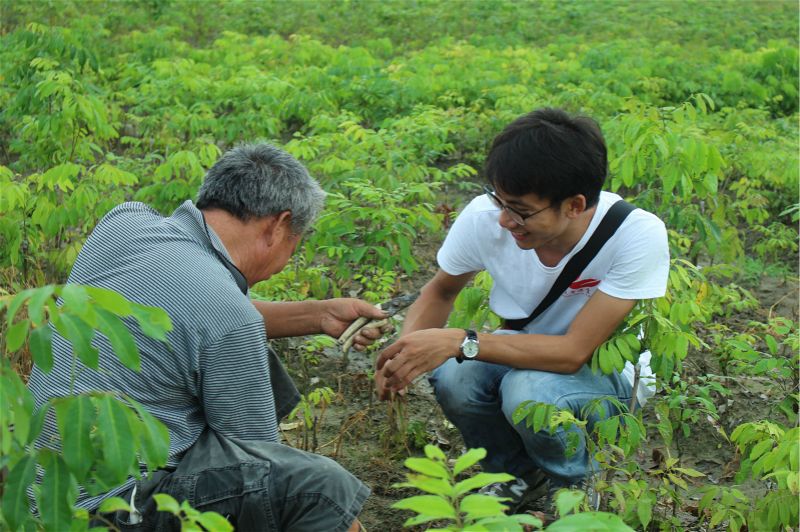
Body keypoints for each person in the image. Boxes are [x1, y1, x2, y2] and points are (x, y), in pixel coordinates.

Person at [28, 143, 388, 531]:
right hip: (113, 510)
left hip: (40, 489)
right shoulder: (229, 317)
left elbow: (194, 309)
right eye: (295, 242)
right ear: (278, 226)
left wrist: (319, 314)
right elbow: (259, 466)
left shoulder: (123, 223)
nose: (289, 256)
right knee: (317, 488)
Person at [375, 108, 669, 510]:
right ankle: (511, 473)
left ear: (573, 205)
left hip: (607, 372)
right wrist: (406, 356)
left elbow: (572, 353)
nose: (504, 219)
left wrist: (462, 340)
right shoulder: (485, 218)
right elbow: (440, 292)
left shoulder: (634, 234)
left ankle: (574, 489)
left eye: (521, 210)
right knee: (455, 377)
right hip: (523, 349)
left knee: (528, 392)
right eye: (499, 199)